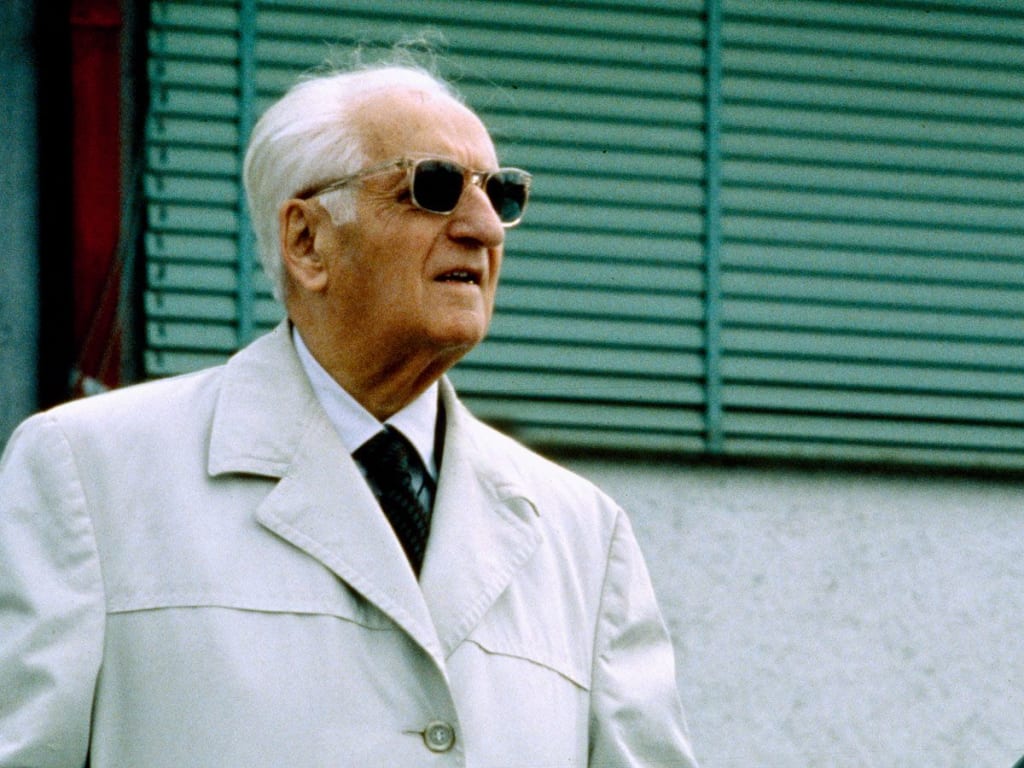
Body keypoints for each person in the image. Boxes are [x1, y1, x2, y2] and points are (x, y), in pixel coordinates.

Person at [0, 62, 698, 767]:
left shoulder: (582, 534)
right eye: (434, 188)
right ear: (307, 241)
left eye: (501, 193)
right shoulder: (90, 472)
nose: (486, 229)